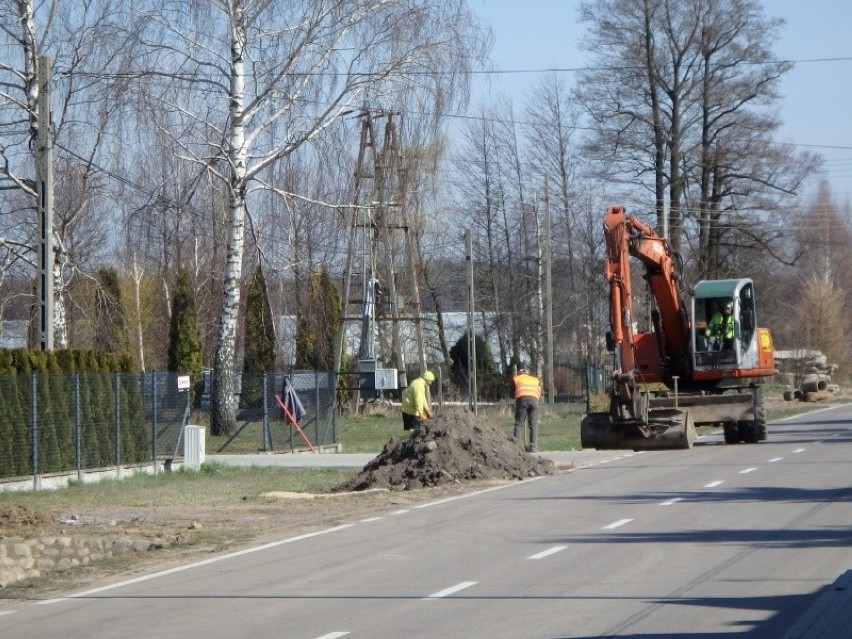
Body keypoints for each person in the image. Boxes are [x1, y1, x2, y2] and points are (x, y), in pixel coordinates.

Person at [512, 368, 542, 452]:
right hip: (534, 400)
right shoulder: (535, 380)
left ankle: (516, 446)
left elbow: (511, 393)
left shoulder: (516, 379)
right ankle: (533, 446)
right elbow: (540, 391)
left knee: (519, 422)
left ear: (520, 373)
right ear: (528, 373)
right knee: (533, 424)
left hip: (522, 399)